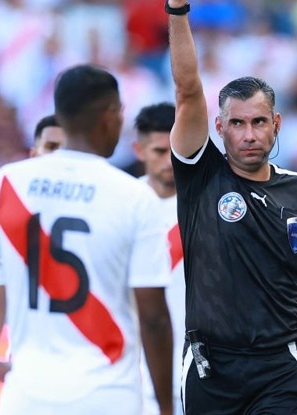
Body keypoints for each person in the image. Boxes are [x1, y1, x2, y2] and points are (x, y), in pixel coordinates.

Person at [0, 64, 174, 414]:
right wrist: (165, 407)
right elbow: (153, 318)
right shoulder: (132, 196)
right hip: (108, 396)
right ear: (109, 116)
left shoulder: (9, 184)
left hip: (28, 396)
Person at [164, 0, 297, 415]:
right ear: (219, 128)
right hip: (210, 369)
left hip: (279, 370)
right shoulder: (200, 173)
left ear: (277, 124)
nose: (249, 134)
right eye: (238, 123)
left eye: (259, 121)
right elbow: (188, 90)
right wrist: (177, 5)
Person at [0, 114, 66, 415]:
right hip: (29, 376)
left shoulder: (112, 208)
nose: (58, 156)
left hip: (97, 373)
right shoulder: (12, 216)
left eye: (66, 148)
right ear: (34, 152)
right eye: (51, 146)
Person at [133, 102, 185, 415]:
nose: (168, 161)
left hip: (200, 373)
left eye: (174, 151)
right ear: (138, 150)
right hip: (133, 378)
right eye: (158, 151)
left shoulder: (212, 207)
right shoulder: (122, 207)